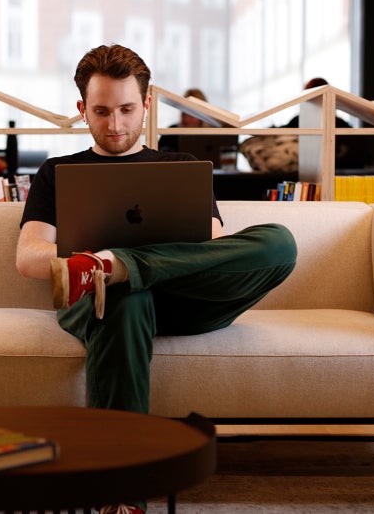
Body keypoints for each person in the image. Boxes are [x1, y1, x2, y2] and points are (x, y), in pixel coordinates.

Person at [15, 44, 297, 514]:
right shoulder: (58, 172)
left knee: (280, 242)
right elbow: (28, 257)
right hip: (102, 299)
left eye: (127, 109)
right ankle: (120, 498)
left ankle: (118, 264)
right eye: (101, 111)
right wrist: (91, 264)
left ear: (146, 106)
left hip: (184, 297)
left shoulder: (182, 168)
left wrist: (122, 258)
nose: (115, 124)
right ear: (82, 109)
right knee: (124, 297)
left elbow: (212, 246)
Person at [157, 87, 210, 153]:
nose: (186, 119)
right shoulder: (171, 132)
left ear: (203, 115)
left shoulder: (214, 133)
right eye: (184, 113)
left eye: (191, 115)